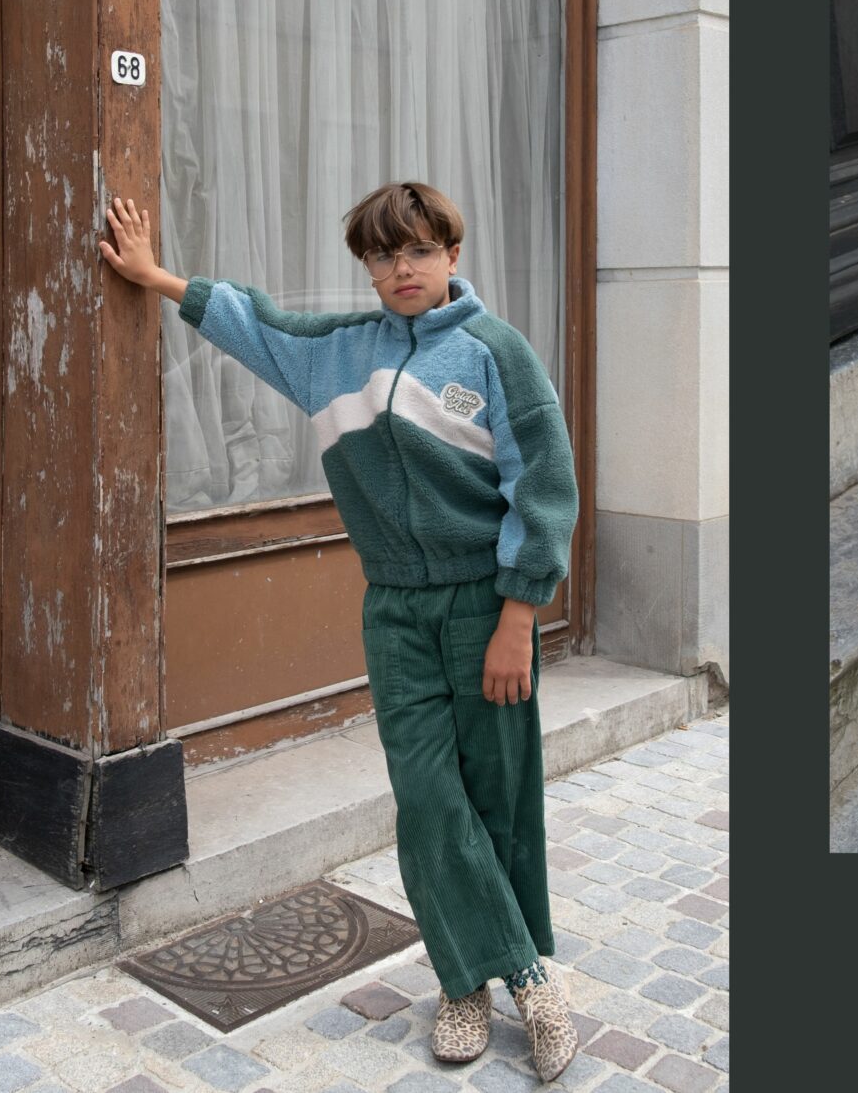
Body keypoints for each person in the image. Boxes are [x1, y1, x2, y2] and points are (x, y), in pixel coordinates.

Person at [99, 181, 581, 1081]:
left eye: (421, 250)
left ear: (452, 255)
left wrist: (520, 614)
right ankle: (513, 979)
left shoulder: (494, 352)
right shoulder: (337, 353)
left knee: (497, 795)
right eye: (384, 254)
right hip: (395, 611)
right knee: (428, 800)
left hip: (485, 606)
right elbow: (257, 322)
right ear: (367, 266)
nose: (404, 268)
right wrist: (156, 276)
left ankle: (475, 979)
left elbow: (545, 483)